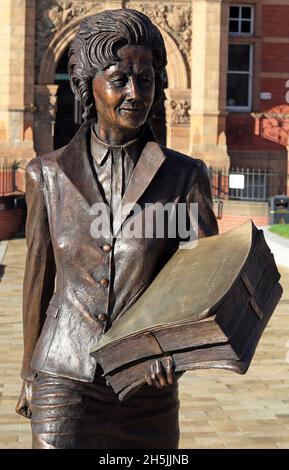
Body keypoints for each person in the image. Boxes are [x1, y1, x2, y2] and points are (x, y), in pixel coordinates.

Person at [15, 9, 218, 449]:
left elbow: (205, 280)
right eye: (119, 80)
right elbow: (37, 282)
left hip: (148, 385)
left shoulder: (185, 176)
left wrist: (175, 351)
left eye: (145, 81)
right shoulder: (46, 175)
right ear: (87, 84)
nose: (134, 94)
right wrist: (29, 372)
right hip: (63, 372)